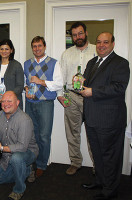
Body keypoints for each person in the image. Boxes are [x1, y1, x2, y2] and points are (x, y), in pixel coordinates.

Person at [81, 32, 130, 200]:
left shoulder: (121, 63)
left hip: (110, 119)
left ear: (113, 44)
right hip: (92, 118)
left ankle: (110, 190)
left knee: (110, 156)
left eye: (106, 42)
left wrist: (92, 91)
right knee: (98, 153)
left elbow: (118, 87)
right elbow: (86, 84)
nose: (101, 45)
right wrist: (79, 82)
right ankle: (101, 181)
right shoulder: (92, 62)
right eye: (99, 42)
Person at [57, 21, 96, 175]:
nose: (78, 37)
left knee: (93, 132)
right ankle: (75, 162)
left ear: (86, 33)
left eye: (80, 33)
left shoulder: (96, 50)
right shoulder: (67, 53)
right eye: (74, 35)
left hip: (91, 98)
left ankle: (97, 166)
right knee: (72, 132)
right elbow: (62, 77)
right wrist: (61, 95)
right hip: (72, 97)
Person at [24, 36, 63, 177]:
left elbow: (59, 84)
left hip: (46, 103)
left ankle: (41, 164)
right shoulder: (27, 64)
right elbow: (25, 82)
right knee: (31, 135)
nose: (37, 48)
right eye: (34, 46)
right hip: (30, 103)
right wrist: (26, 89)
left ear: (44, 46)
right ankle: (32, 161)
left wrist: (41, 81)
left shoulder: (54, 63)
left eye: (39, 46)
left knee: (44, 136)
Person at [0, 91, 39, 200]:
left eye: (9, 101)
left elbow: (22, 147)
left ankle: (19, 189)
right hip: (7, 155)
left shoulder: (24, 120)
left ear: (17, 102)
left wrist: (1, 148)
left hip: (27, 152)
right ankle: (27, 170)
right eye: (3, 101)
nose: (5, 104)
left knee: (17, 158)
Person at [0, 39, 24, 118]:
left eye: (7, 49)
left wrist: (6, 97)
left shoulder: (17, 65)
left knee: (13, 128)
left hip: (11, 103)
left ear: (11, 50)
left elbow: (20, 86)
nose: (4, 51)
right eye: (2, 49)